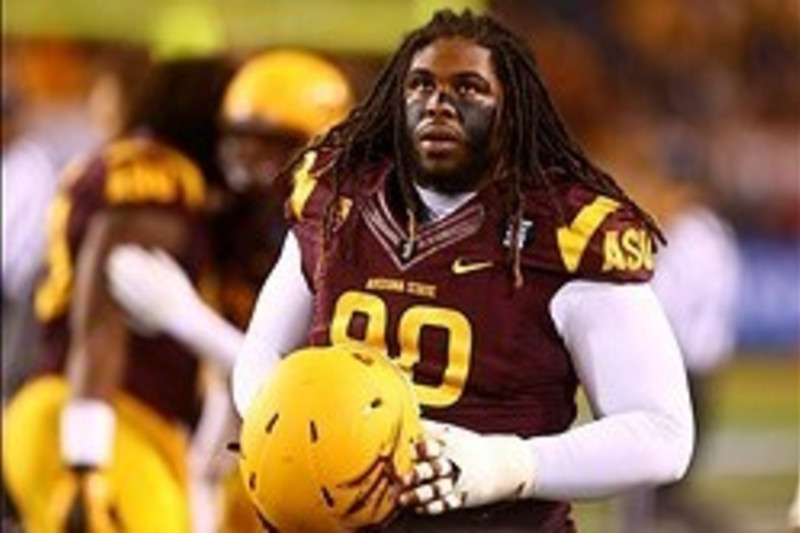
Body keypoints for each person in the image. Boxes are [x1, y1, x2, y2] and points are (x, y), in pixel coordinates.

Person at [229, 8, 694, 532]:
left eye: (469, 89)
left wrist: (508, 466)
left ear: (513, 111)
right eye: (420, 86)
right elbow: (260, 352)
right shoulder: (337, 200)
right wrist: (291, 429)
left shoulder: (565, 229)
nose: (438, 105)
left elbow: (663, 433)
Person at [104, 49, 354, 531]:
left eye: (274, 142)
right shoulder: (240, 222)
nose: (248, 157)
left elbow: (306, 386)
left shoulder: (340, 229)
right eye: (239, 137)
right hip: (255, 438)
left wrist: (185, 318)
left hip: (335, 447)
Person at [1, 56, 234, 532]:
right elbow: (99, 307)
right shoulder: (157, 177)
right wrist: (86, 459)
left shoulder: (127, 163)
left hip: (97, 416)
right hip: (96, 416)